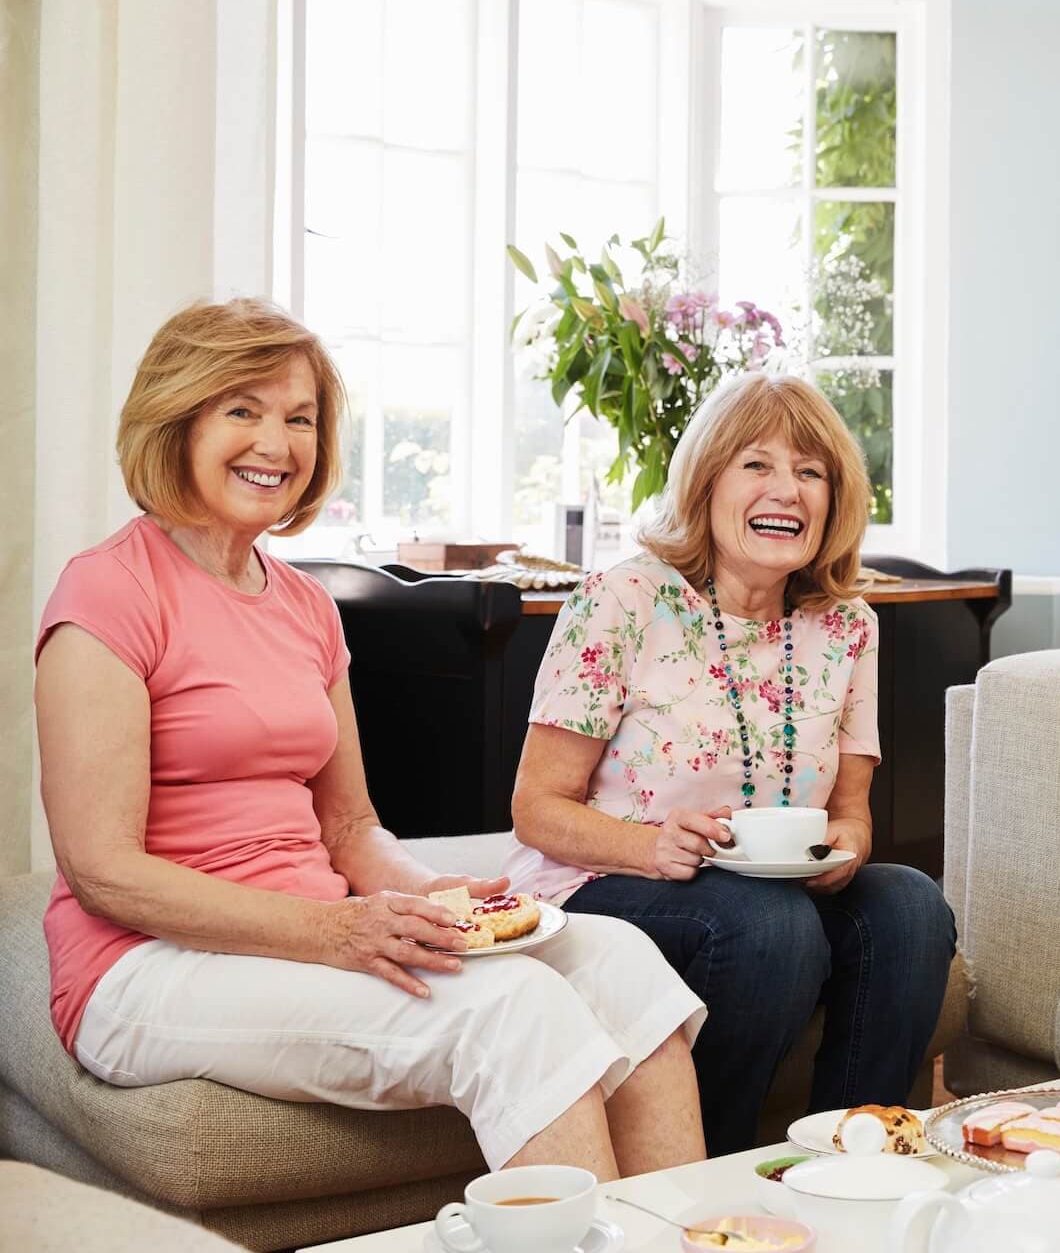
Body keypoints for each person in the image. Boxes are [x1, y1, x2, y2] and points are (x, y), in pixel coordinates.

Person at [34, 299, 705, 1178]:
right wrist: (333, 931)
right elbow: (102, 871)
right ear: (176, 419)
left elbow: (349, 831)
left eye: (299, 418)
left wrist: (438, 899)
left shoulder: (307, 606)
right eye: (242, 409)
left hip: (315, 924)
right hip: (146, 965)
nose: (276, 443)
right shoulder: (109, 592)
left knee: (619, 956)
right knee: (514, 1011)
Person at [508, 372, 956, 1155]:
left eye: (811, 472)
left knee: (912, 906)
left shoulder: (847, 624)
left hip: (765, 892)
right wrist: (651, 845)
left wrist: (844, 851)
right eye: (757, 464)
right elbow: (537, 809)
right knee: (769, 926)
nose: (787, 489)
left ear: (835, 499)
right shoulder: (624, 599)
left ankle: (852, 1159)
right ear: (706, 481)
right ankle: (709, 1169)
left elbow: (851, 811)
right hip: (613, 881)